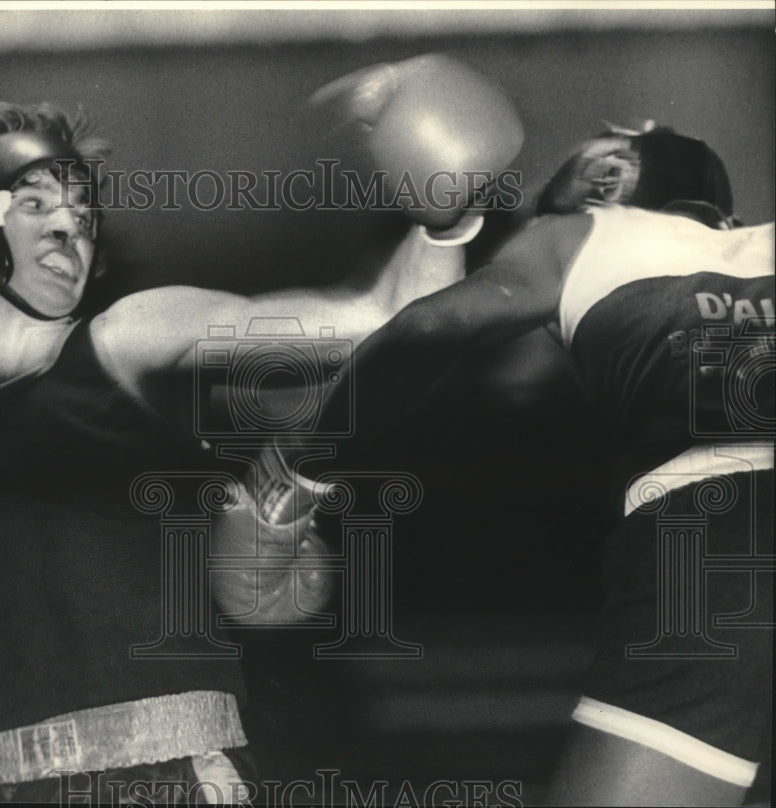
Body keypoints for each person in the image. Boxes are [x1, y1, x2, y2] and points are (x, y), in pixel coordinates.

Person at [0, 53, 525, 804]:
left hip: (179, 774)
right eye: (36, 204)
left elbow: (379, 316)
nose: (70, 228)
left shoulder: (129, 338)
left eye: (83, 215)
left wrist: (446, 218)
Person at [320, 124, 774, 806]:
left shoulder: (585, 234)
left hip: (716, 539)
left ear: (610, 179)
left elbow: (428, 327)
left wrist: (293, 476)